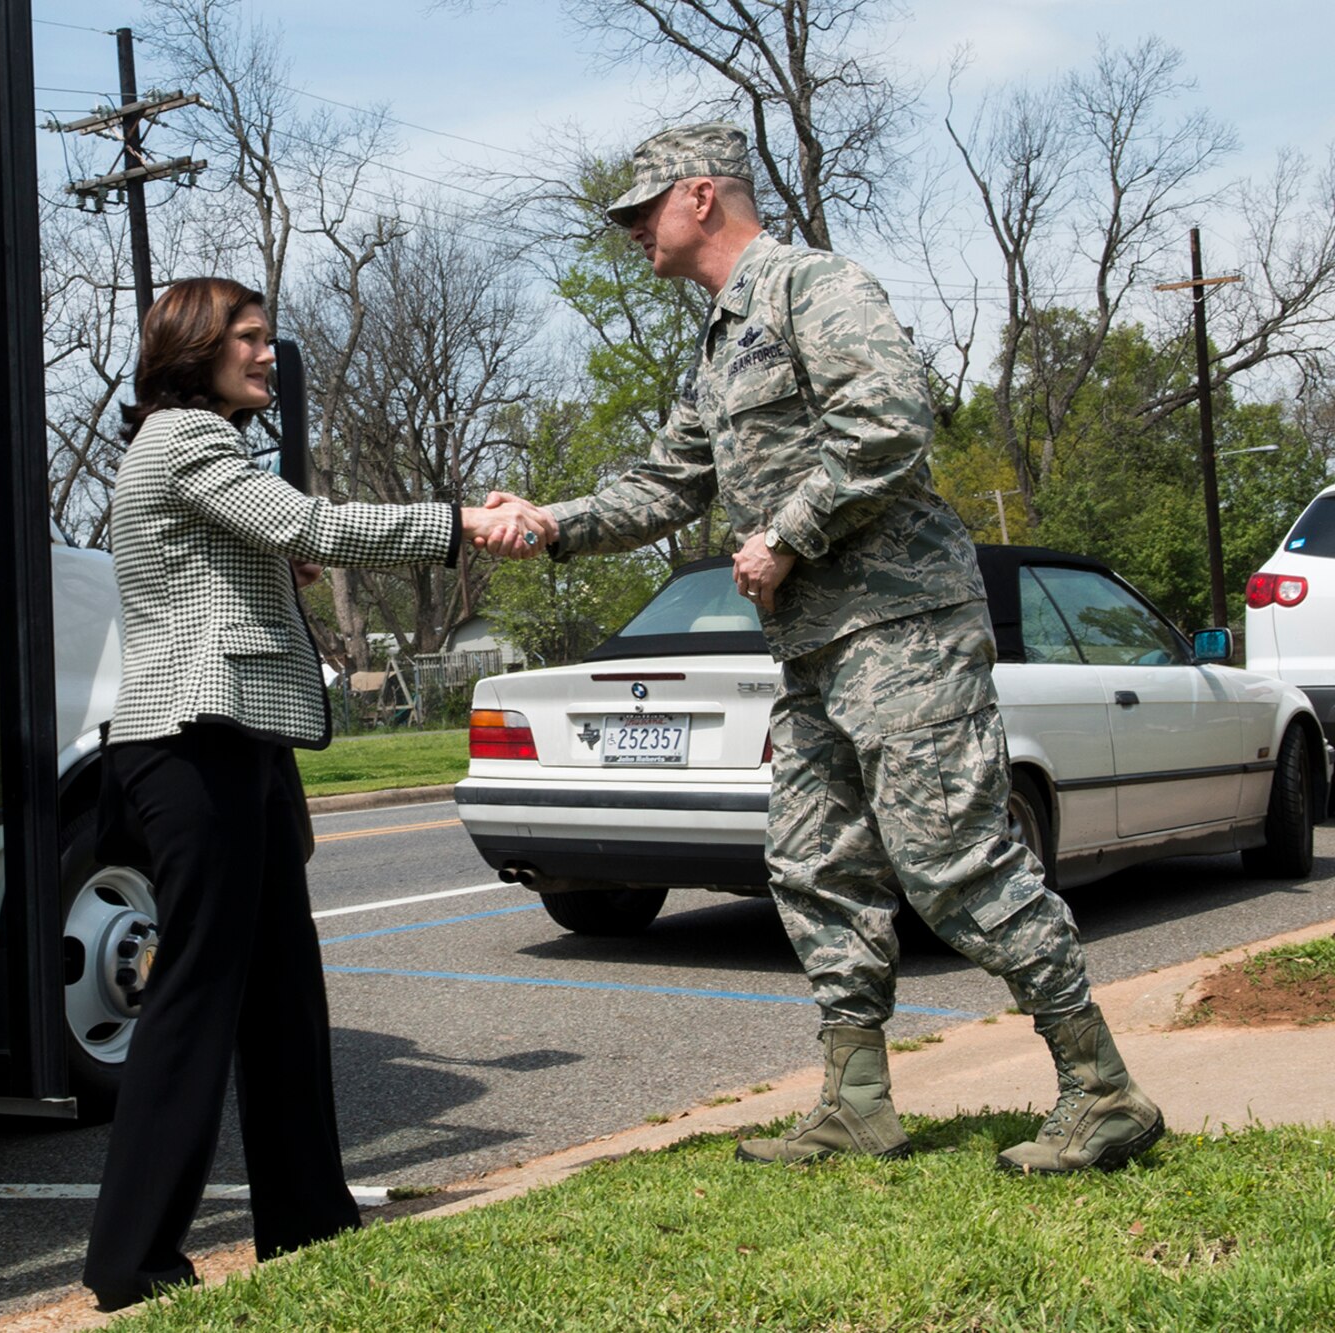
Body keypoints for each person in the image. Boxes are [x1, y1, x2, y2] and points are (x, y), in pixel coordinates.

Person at [481, 123, 1161, 1175]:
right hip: (809, 649)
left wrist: (784, 534)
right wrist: (551, 518)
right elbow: (663, 486)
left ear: (699, 196)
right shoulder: (716, 345)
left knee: (949, 860)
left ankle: (1101, 1087)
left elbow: (887, 423)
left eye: (639, 209)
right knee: (810, 864)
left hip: (901, 628)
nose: (627, 231)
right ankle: (855, 1103)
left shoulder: (810, 287)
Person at [82, 277, 527, 1310]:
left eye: (264, 337)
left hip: (241, 744)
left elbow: (273, 542)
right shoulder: (184, 438)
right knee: (195, 994)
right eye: (244, 338)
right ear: (192, 349)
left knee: (283, 990)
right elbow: (309, 519)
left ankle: (307, 1219)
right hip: (190, 745)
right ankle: (129, 1261)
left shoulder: (206, 447)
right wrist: (461, 521)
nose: (263, 354)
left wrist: (292, 563)